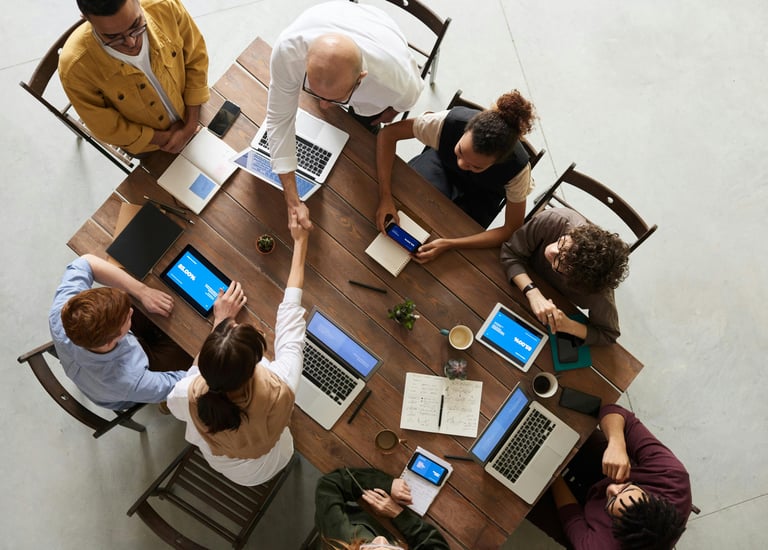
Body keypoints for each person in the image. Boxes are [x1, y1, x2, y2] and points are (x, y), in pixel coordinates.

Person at [167, 212, 309, 485]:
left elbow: (184, 393)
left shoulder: (188, 392)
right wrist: (301, 242)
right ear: (254, 365)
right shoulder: (281, 384)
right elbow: (291, 318)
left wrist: (219, 321)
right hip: (270, 461)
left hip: (229, 467)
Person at [267, 1, 424, 230]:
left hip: (381, 35)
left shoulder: (395, 83)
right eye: (313, 91)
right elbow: (279, 121)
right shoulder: (287, 51)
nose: (323, 106)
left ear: (361, 78)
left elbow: (405, 101)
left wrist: (389, 113)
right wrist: (292, 199)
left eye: (333, 99)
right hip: (334, 15)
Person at [377, 90, 537, 262]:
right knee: (407, 203)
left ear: (497, 162)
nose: (462, 164)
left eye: (476, 166)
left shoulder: (518, 171)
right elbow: (387, 135)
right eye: (460, 151)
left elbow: (511, 228)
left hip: (483, 195)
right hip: (440, 166)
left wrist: (450, 244)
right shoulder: (446, 123)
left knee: (452, 237)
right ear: (466, 130)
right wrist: (385, 196)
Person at [528, 404, 691, 549]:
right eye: (627, 487)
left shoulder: (600, 546)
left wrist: (551, 471)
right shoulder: (671, 476)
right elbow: (613, 411)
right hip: (608, 471)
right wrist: (616, 444)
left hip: (584, 517)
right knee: (570, 423)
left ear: (615, 528)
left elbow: (571, 515)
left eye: (612, 500)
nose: (612, 487)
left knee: (527, 496)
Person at [59, 0, 209, 155]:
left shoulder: (164, 5)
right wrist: (165, 139)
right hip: (152, 147)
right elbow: (107, 127)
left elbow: (196, 57)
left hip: (194, 111)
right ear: (85, 18)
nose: (131, 42)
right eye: (113, 37)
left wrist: (190, 125)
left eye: (136, 25)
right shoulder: (74, 68)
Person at [49, 254, 191, 410]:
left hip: (95, 368)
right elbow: (188, 385)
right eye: (127, 317)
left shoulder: (65, 311)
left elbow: (86, 261)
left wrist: (142, 292)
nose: (131, 311)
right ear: (110, 342)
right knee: (196, 352)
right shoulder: (130, 381)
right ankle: (165, 405)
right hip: (127, 388)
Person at [500, 208, 630, 345]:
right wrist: (533, 293)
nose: (552, 250)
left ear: (576, 279)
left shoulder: (598, 292)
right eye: (562, 243)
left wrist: (569, 326)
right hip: (512, 284)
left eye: (561, 261)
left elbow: (608, 335)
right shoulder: (555, 220)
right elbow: (510, 253)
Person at [314, 467, 449, 550]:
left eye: (370, 548)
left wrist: (385, 484)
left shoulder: (339, 537)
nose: (381, 539)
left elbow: (329, 485)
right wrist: (398, 514)